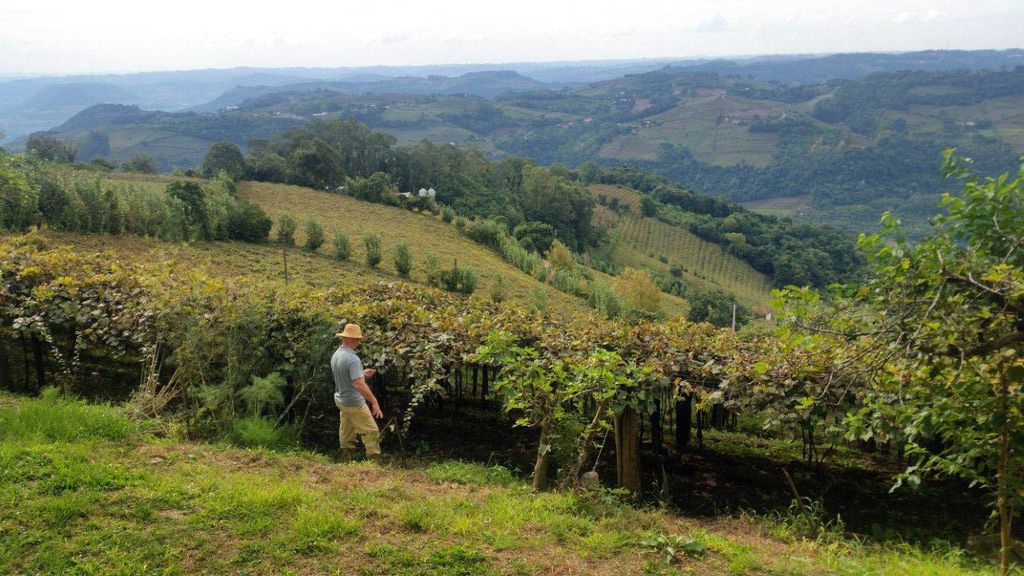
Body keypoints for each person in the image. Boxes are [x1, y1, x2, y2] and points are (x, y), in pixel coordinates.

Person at [331, 323, 383, 459]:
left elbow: (345, 376)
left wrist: (361, 373)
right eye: (358, 340)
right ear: (353, 339)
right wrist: (374, 401)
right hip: (354, 402)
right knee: (371, 431)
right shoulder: (353, 359)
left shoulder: (337, 354)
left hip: (340, 399)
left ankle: (347, 457)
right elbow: (359, 385)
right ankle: (374, 461)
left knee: (347, 428)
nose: (358, 342)